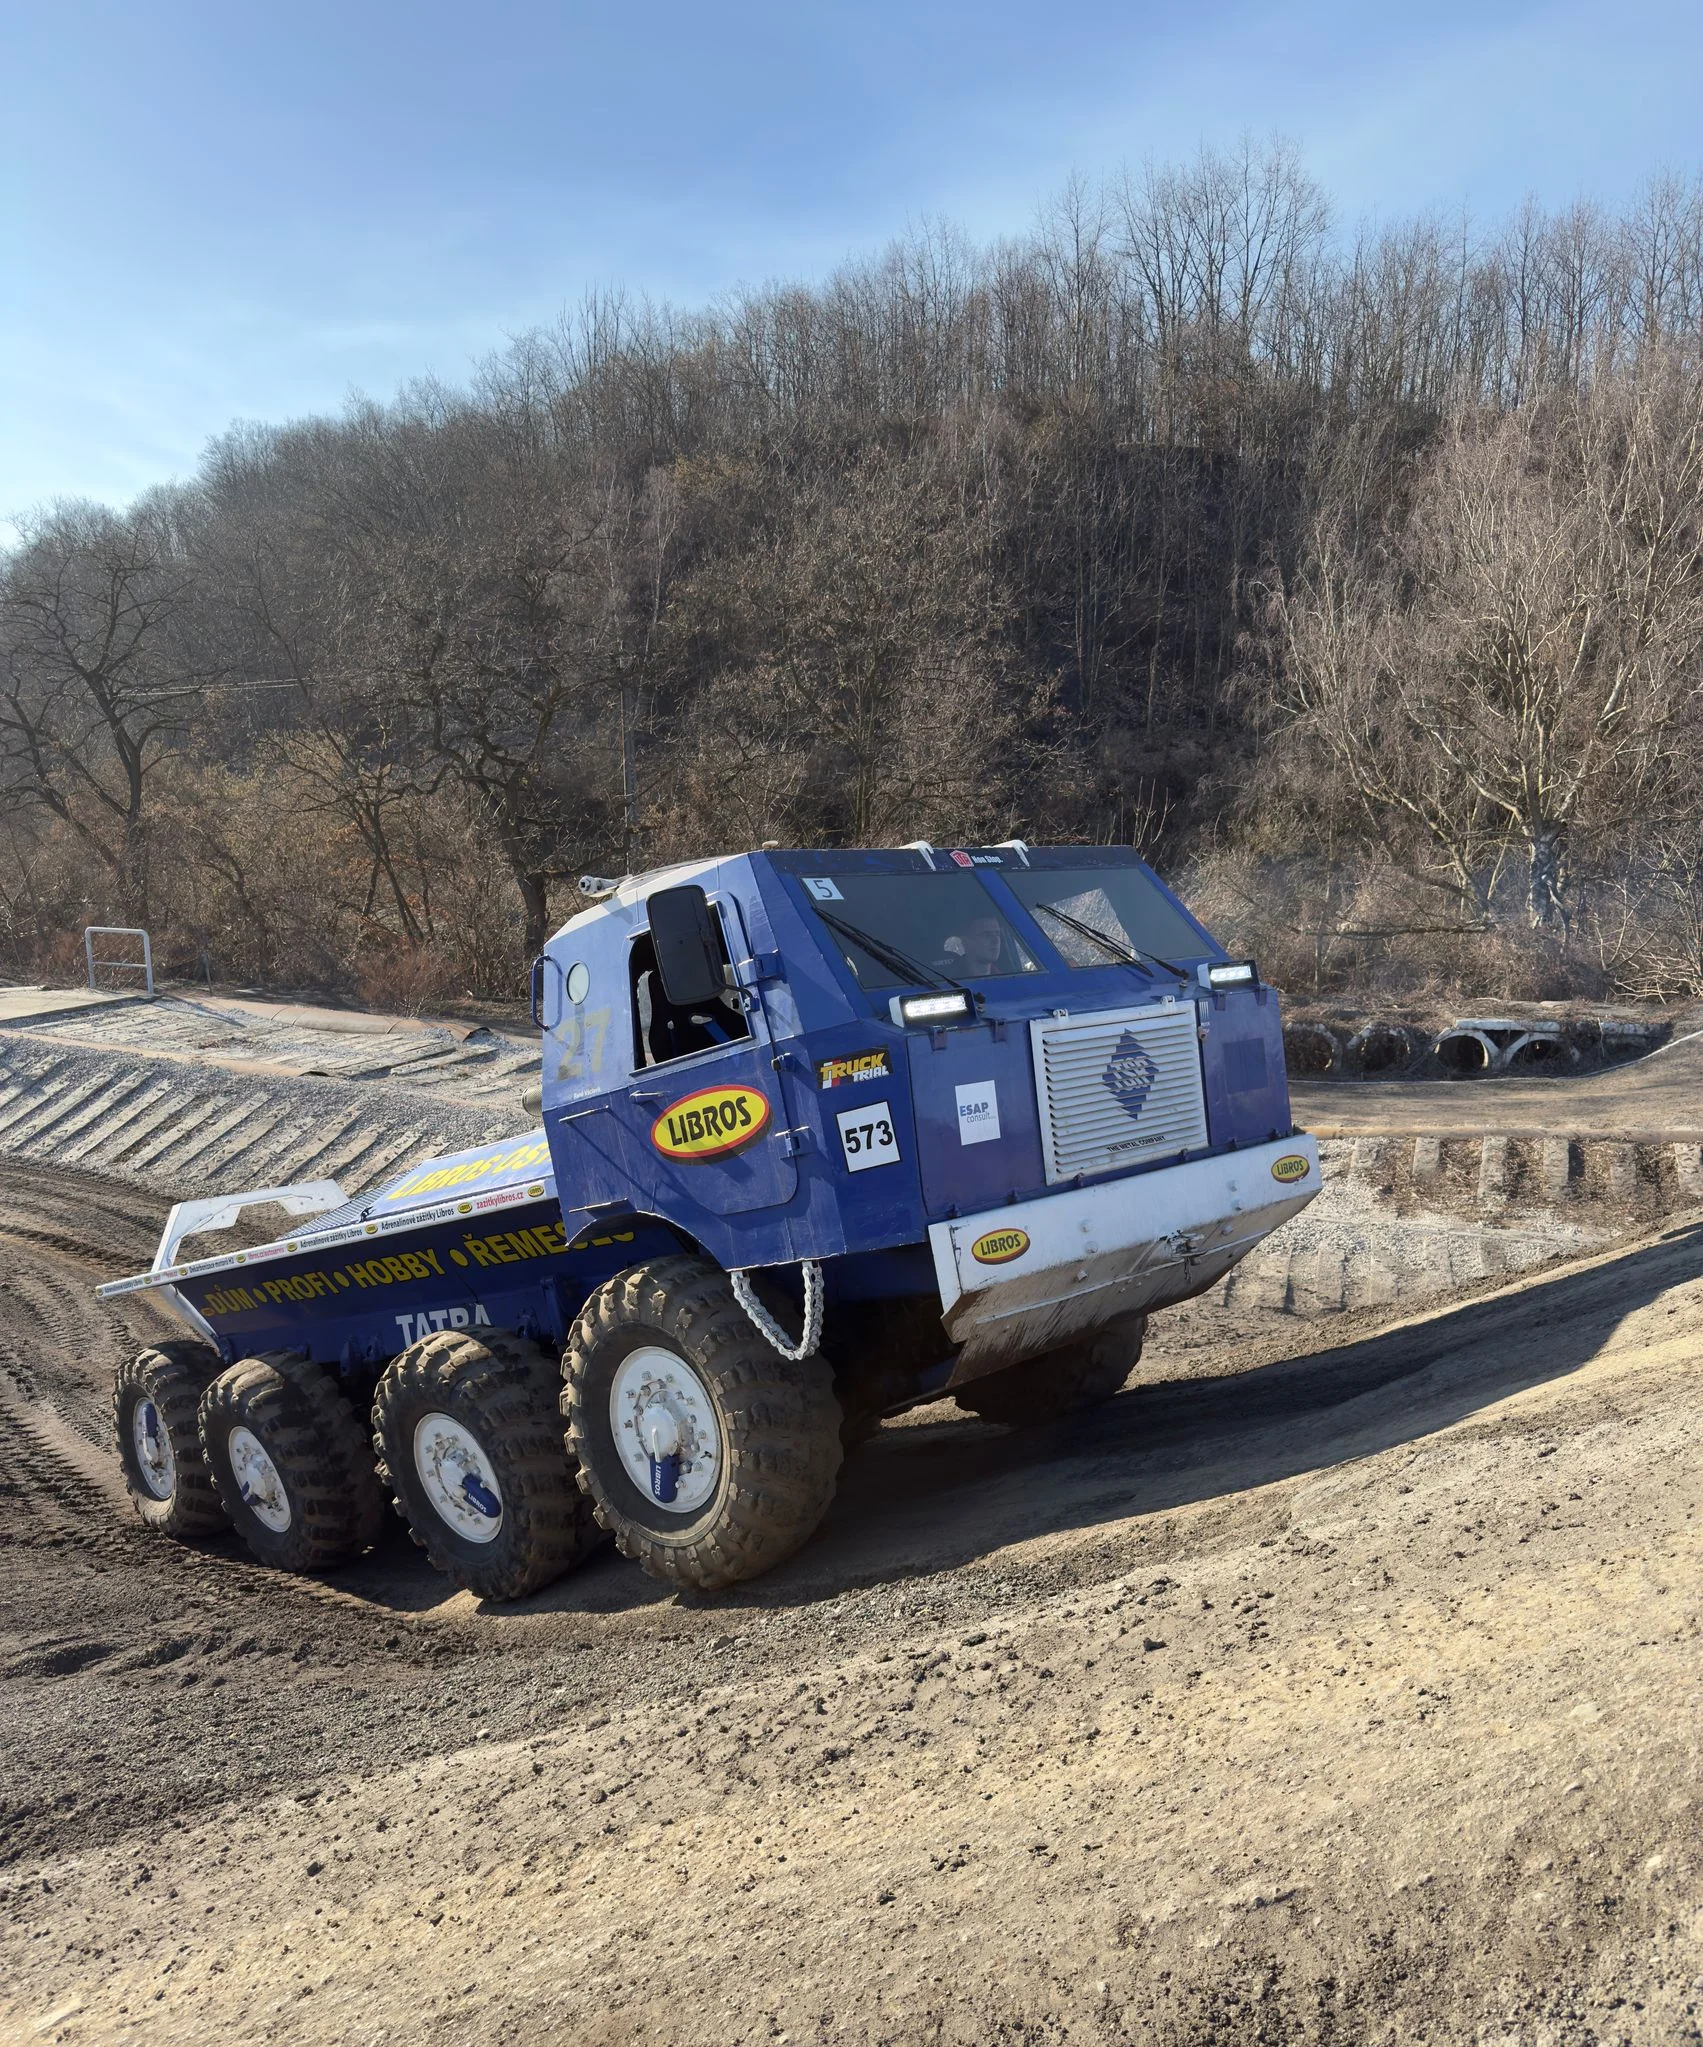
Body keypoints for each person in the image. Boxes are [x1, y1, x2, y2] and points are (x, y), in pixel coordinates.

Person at [938, 913, 1005, 978]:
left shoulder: (1005, 979)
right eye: (987, 935)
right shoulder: (949, 980)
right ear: (965, 942)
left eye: (997, 934)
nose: (996, 941)